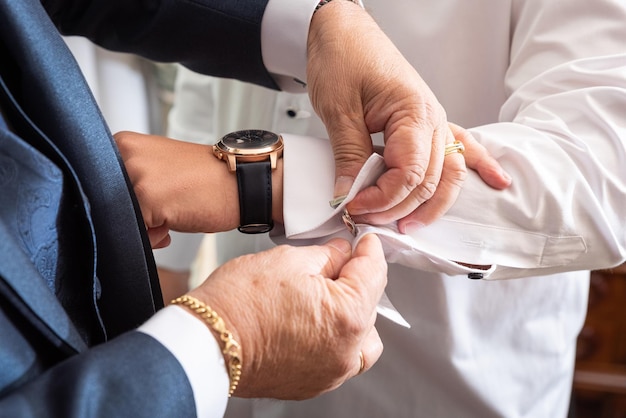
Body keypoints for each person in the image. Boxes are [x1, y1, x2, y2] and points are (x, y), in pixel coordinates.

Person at [132, 0, 626, 416]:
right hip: (231, 357)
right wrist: (167, 271)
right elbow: (203, 86)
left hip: (446, 388)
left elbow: (599, 174)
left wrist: (254, 183)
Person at [0, 0, 482, 416]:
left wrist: (319, 24)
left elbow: (553, 176)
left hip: (446, 380)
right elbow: (198, 97)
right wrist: (220, 338)